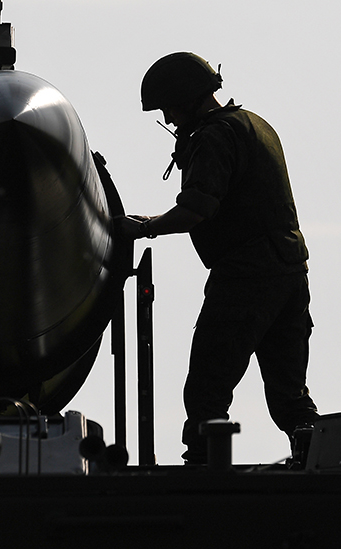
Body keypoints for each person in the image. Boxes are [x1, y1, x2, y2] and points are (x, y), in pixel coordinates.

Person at [117, 52, 319, 464]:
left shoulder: (213, 136)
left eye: (169, 108)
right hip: (291, 273)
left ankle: (204, 475)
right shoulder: (255, 125)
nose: (169, 119)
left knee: (208, 387)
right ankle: (316, 460)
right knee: (290, 395)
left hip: (246, 277)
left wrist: (143, 227)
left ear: (188, 98)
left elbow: (196, 210)